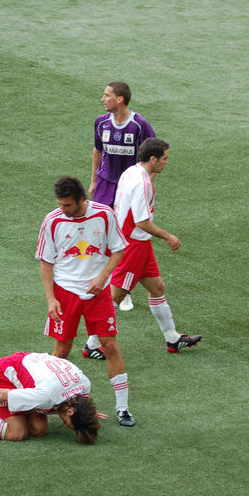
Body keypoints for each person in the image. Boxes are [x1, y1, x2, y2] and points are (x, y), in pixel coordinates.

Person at [36, 176, 136, 427]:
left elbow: (118, 248)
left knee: (110, 346)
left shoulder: (104, 215)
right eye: (60, 204)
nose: (63, 209)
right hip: (64, 293)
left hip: (97, 293)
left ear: (82, 199)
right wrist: (50, 299)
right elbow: (46, 262)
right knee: (61, 352)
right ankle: (53, 403)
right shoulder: (52, 221)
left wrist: (103, 277)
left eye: (67, 205)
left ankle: (123, 408)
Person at [110, 138, 202, 353]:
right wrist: (168, 236)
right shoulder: (141, 183)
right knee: (117, 295)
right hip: (133, 243)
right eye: (164, 159)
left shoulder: (132, 172)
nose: (166, 163)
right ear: (153, 159)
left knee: (157, 287)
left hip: (136, 241)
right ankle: (93, 343)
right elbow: (142, 221)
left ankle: (172, 337)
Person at [89, 81, 156, 315]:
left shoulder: (139, 125)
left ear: (120, 99)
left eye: (107, 95)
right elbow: (98, 150)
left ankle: (124, 291)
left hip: (128, 188)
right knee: (101, 232)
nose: (102, 99)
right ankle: (100, 278)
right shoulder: (101, 122)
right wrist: (94, 181)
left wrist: (144, 187)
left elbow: (154, 158)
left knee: (123, 237)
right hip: (105, 185)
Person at [0, 352, 103, 444]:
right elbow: (0, 394)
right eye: (67, 422)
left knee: (40, 430)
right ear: (71, 410)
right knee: (18, 433)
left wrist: (89, 413)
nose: (64, 424)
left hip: (30, 371)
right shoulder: (46, 395)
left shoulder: (84, 387)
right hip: (2, 376)